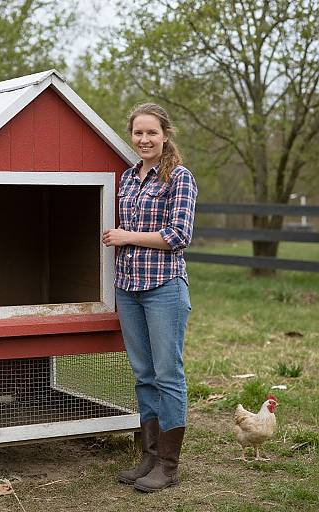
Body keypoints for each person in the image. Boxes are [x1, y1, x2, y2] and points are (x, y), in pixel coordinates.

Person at [102, 103, 197, 492]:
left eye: (151, 133)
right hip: (128, 288)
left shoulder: (180, 178)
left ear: (165, 135)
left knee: (167, 375)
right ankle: (150, 456)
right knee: (143, 376)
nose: (144, 140)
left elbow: (178, 236)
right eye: (138, 133)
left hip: (163, 288)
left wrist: (126, 236)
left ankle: (169, 467)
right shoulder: (127, 178)